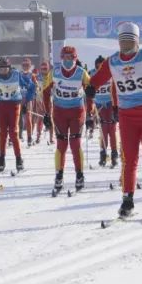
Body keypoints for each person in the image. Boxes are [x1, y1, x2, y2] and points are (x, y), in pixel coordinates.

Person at [87, 22, 142, 218]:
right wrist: (91, 87)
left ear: (137, 41)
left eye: (130, 41)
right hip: (127, 116)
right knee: (129, 158)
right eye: (123, 41)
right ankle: (127, 200)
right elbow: (97, 79)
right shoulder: (112, 61)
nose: (126, 45)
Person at [0, 57, 35, 172]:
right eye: (1, 69)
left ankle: (18, 159)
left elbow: (31, 86)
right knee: (3, 132)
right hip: (1, 105)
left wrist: (26, 102)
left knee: (14, 132)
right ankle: (1, 159)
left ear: (10, 68)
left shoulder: (16, 75)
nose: (3, 72)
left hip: (14, 105)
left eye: (6, 69)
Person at [49, 45, 90, 194]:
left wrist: (90, 113)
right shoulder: (55, 72)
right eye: (65, 57)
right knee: (61, 145)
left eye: (71, 58)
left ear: (75, 58)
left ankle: (79, 175)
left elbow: (90, 92)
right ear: (61, 58)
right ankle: (59, 175)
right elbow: (45, 91)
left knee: (75, 144)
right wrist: (47, 113)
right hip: (59, 112)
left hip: (77, 112)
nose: (68, 61)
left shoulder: (81, 73)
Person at [89, 55, 119, 168]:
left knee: (112, 129)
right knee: (103, 130)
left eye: (102, 66)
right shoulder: (92, 73)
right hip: (99, 104)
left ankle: (114, 154)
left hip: (110, 103)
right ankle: (103, 154)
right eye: (98, 66)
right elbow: (86, 85)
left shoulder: (111, 72)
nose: (100, 68)